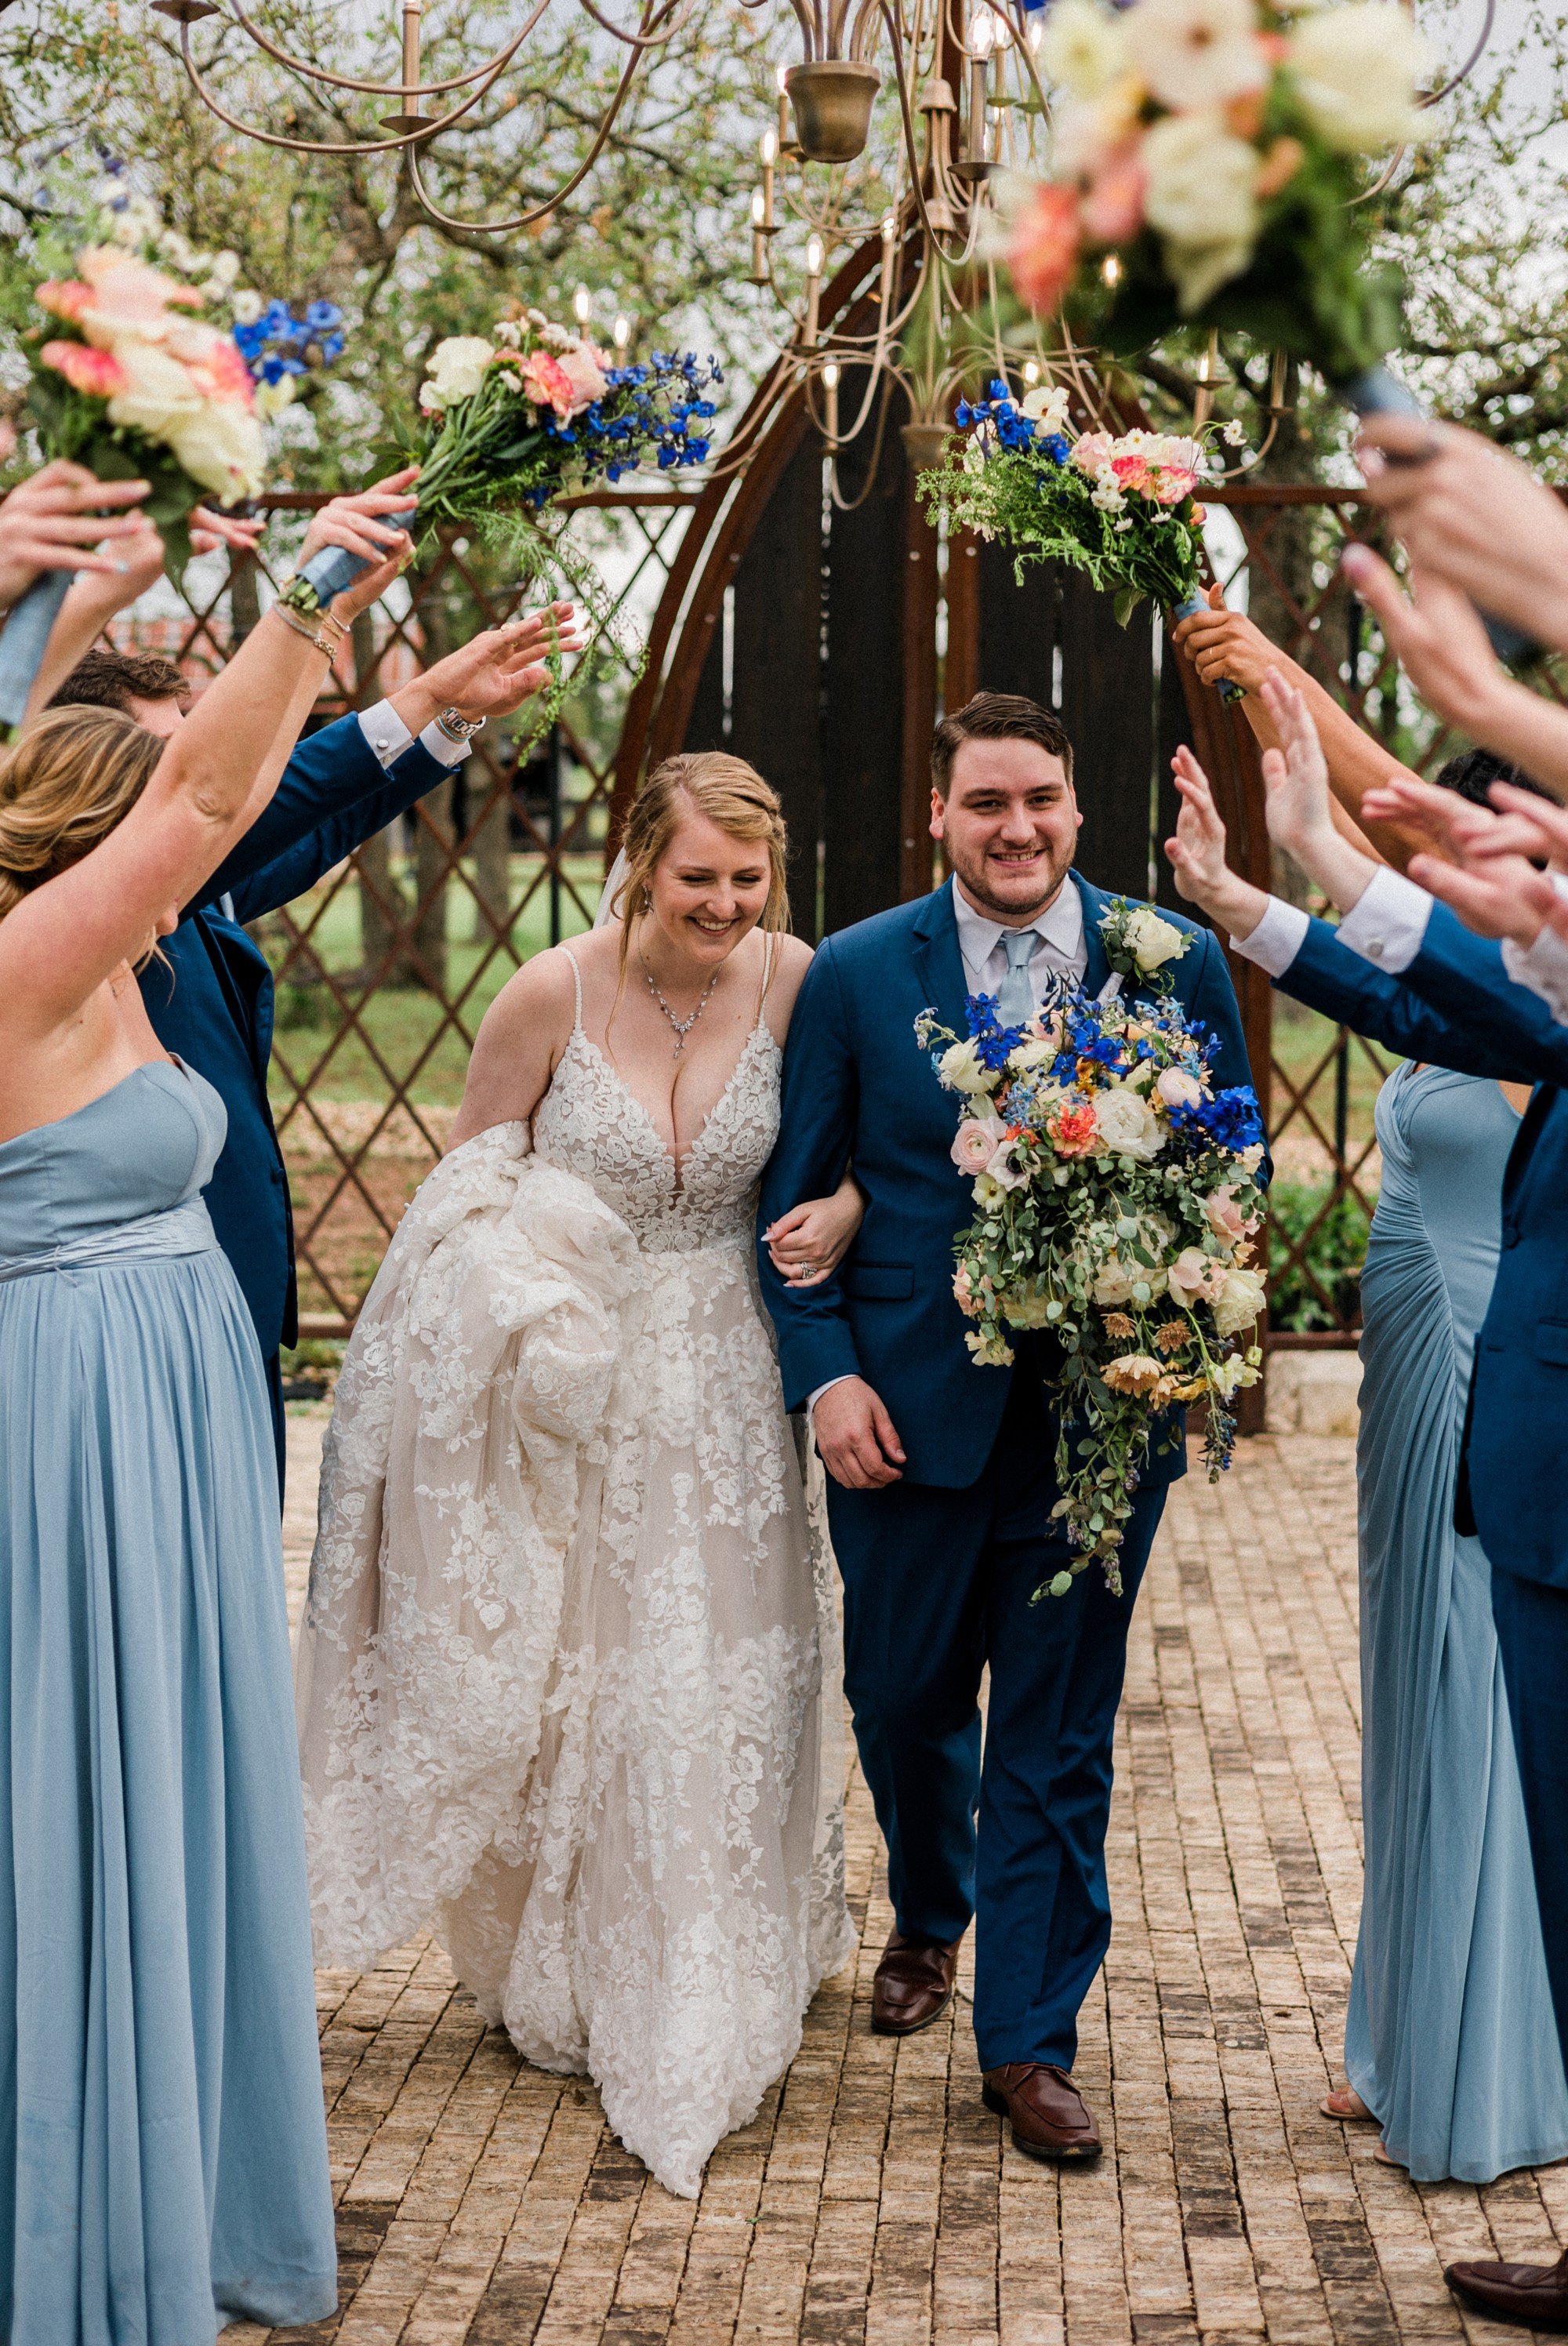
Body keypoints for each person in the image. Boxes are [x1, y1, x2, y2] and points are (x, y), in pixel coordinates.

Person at [295, 750, 864, 2200]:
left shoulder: (802, 980)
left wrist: (847, 1207)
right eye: (697, 882)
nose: (726, 907)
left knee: (737, 1667)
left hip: (737, 1381)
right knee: (591, 1666)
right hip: (578, 1386)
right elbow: (462, 1197)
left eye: (748, 882)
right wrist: (531, 1304)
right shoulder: (545, 993)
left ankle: (720, 1950)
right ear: (636, 864)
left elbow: (872, 1145)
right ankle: (576, 1957)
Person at [0, 522, 408, 2338]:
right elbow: (214, 784)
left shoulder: (126, 972)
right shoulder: (25, 971)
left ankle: (186, 2177)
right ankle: (78, 2225)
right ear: (94, 837)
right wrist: (317, 589)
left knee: (176, 1788)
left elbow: (204, 803)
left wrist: (57, 604)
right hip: (72, 1428)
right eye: (165, 826)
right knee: (79, 1795)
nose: (211, 853)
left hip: (163, 1418)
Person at [755, 691, 1255, 2160]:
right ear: (939, 815)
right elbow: (788, 1200)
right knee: (903, 1699)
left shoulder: (1172, 959)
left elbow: (1236, 1152)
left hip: (1102, 1426)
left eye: (1040, 798)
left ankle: (1030, 2046)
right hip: (903, 1415)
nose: (1016, 827)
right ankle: (929, 1905)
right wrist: (824, 1373)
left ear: (1078, 808)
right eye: (986, 804)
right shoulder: (853, 975)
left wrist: (1182, 1312)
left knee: (1056, 1735)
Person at [1166, 669, 1568, 2328]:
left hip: (1521, 1398)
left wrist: (1324, 849)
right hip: (1470, 1404)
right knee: (1437, 1709)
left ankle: (1489, 2066)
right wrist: (1253, 891)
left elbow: (1495, 1001)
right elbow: (1438, 1008)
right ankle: (1422, 2031)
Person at [41, 471, 579, 1482]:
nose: (208, 770)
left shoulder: (190, 896)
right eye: (172, 758)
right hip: (127, 1316)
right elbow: (256, 804)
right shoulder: (70, 928)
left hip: (227, 1289)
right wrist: (367, 652)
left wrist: (447, 722)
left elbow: (313, 824)